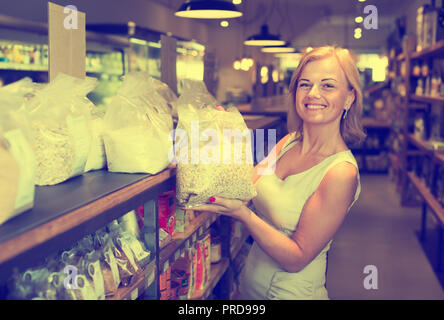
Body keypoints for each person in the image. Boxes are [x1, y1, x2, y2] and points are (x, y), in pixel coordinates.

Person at [194, 46, 365, 300]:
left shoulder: (341, 173)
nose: (313, 94)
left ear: (349, 98)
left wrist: (244, 216)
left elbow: (297, 258)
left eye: (327, 85)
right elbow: (246, 187)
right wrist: (223, 133)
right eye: (304, 84)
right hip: (249, 290)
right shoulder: (289, 142)